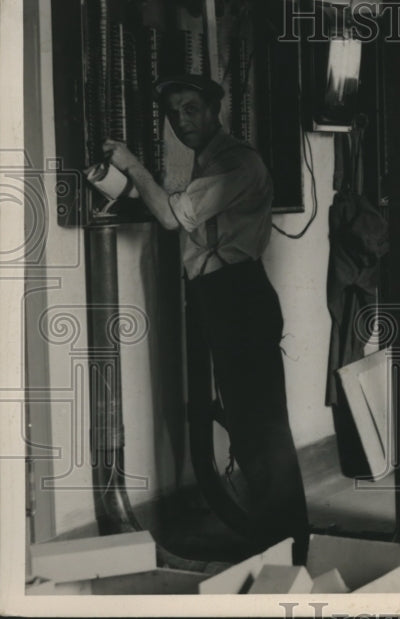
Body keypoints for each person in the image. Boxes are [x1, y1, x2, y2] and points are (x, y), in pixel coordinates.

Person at [102, 73, 309, 564]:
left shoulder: (237, 163)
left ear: (218, 109)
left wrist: (130, 165)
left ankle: (290, 545)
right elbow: (176, 210)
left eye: (192, 108)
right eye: (174, 112)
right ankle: (278, 538)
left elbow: (174, 218)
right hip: (220, 295)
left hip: (238, 295)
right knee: (251, 427)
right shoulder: (206, 164)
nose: (182, 120)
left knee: (262, 430)